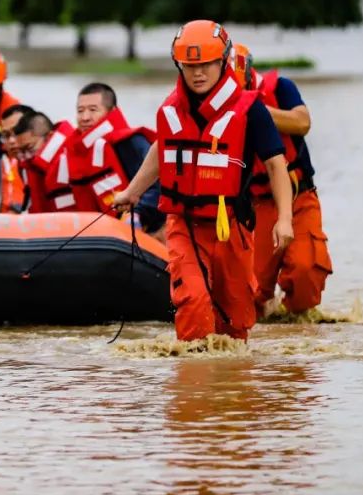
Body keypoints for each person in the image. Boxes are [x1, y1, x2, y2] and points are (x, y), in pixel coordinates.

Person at [112, 20, 295, 342]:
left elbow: (275, 164)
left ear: (223, 61)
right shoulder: (171, 109)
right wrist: (132, 192)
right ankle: (193, 384)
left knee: (235, 323)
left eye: (207, 64)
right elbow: (162, 148)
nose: (198, 73)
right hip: (183, 224)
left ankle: (227, 386)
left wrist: (284, 219)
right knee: (192, 302)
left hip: (231, 224)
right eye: (190, 65)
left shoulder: (251, 109)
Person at [232, 43, 332, 317]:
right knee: (249, 293)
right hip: (255, 207)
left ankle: (294, 324)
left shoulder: (281, 88)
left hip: (299, 198)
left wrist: (253, 110)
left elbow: (302, 123)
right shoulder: (211, 107)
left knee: (305, 271)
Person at [67, 82, 165, 240]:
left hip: (152, 230)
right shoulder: (77, 151)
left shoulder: (131, 142)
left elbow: (158, 183)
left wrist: (139, 216)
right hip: (107, 235)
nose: (85, 117)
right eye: (80, 111)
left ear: (111, 111)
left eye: (93, 110)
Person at [13, 111, 80, 213]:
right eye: (22, 151)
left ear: (49, 137)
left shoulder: (74, 157)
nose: (26, 156)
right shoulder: (29, 167)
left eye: (30, 148)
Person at [0, 104, 35, 213]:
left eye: (17, 131)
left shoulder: (52, 162)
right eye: (6, 135)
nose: (11, 141)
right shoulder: (22, 166)